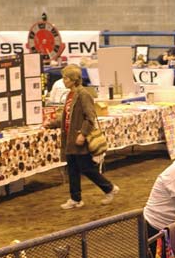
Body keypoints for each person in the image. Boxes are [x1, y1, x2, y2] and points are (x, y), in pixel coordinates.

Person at [43, 64, 119, 210]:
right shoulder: (70, 95)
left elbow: (90, 117)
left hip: (78, 139)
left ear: (74, 79)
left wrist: (83, 134)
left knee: (86, 167)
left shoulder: (83, 95)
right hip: (69, 140)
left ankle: (109, 188)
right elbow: (67, 118)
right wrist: (51, 124)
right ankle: (75, 198)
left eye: (66, 78)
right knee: (72, 169)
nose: (63, 80)